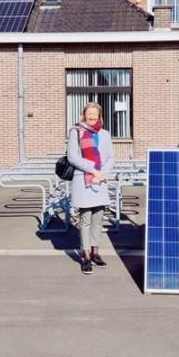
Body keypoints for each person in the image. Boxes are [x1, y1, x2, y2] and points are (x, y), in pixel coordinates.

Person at [67, 102, 115, 275]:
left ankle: (95, 252)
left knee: (98, 219)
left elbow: (110, 158)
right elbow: (72, 157)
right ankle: (86, 255)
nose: (92, 117)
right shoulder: (76, 131)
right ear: (84, 115)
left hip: (100, 181)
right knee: (85, 219)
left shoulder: (105, 134)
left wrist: (101, 173)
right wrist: (93, 170)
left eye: (95, 114)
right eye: (89, 114)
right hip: (84, 180)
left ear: (100, 116)